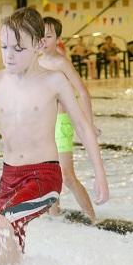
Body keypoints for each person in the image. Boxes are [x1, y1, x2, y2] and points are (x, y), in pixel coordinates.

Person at [0, 8, 108, 265]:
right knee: (5, 250)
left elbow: (83, 128)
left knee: (1, 225)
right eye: (4, 46)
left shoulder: (54, 81)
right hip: (9, 178)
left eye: (18, 48)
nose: (9, 55)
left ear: (39, 45)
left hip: (44, 175)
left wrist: (100, 174)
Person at [40, 17, 98, 223]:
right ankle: (55, 218)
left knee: (67, 176)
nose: (43, 40)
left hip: (61, 124)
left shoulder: (61, 63)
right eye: (40, 35)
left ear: (58, 39)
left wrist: (88, 125)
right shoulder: (35, 62)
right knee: (47, 176)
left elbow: (83, 93)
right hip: (43, 127)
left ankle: (93, 217)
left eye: (48, 36)